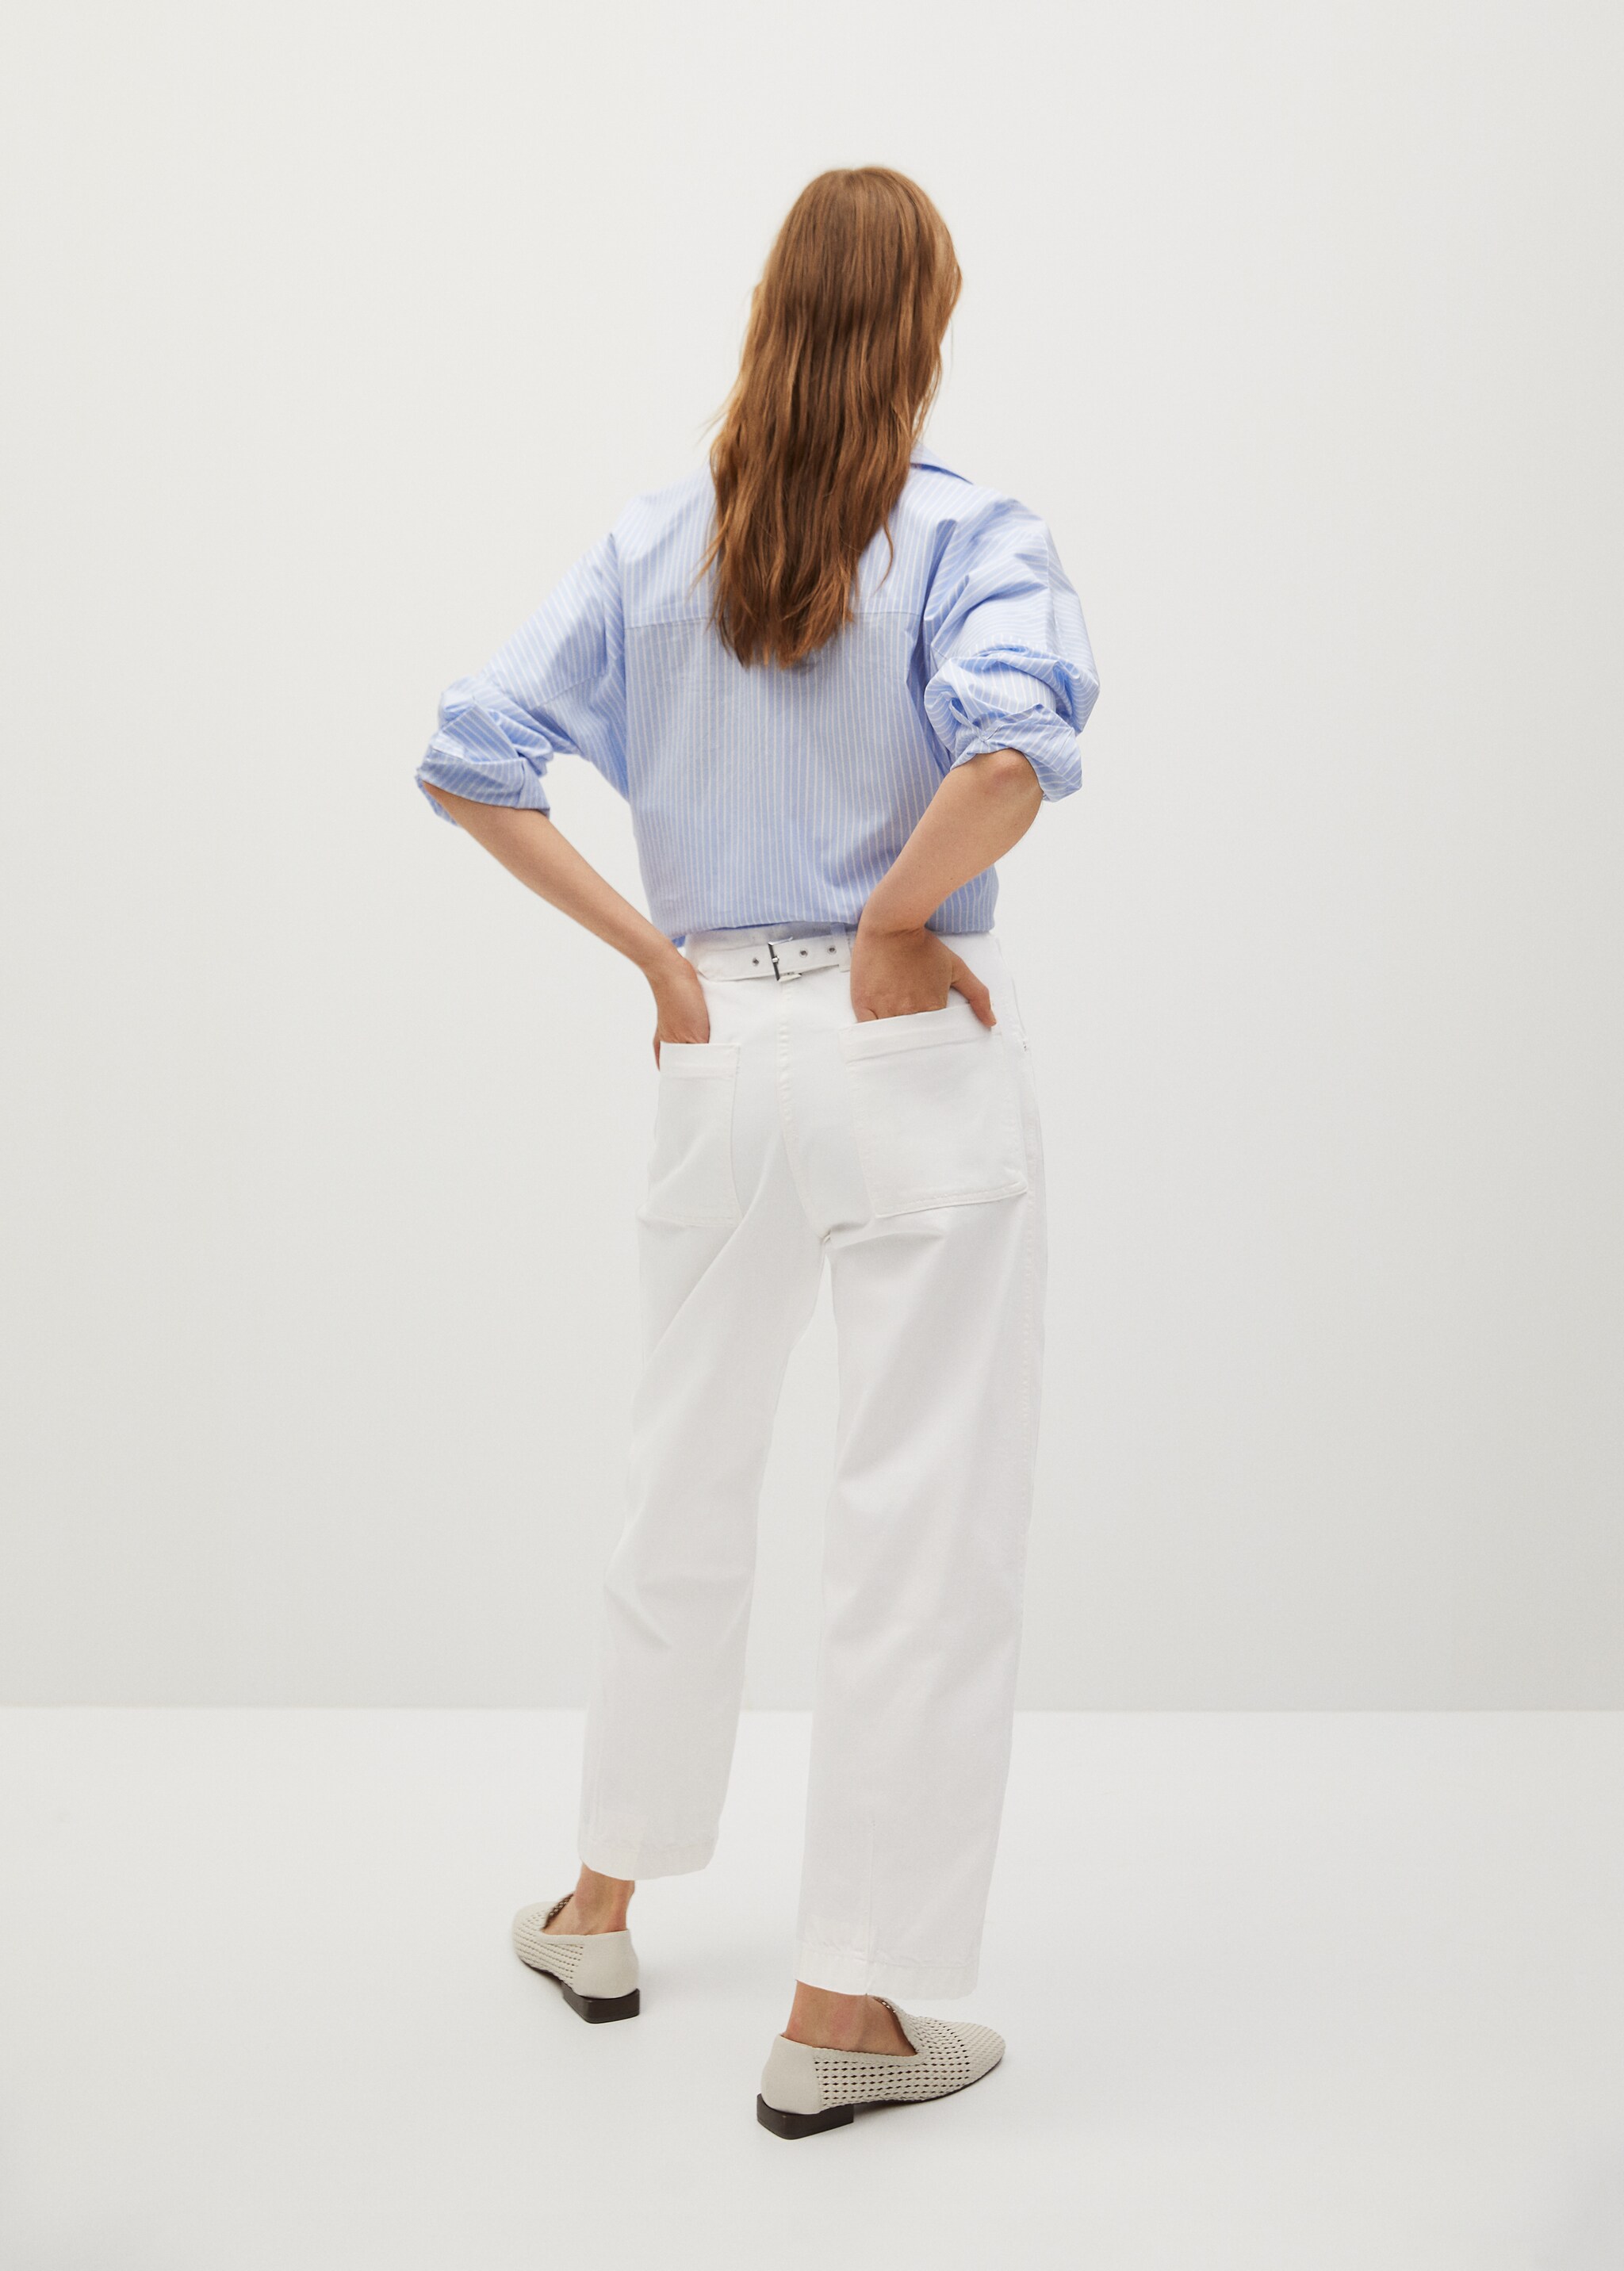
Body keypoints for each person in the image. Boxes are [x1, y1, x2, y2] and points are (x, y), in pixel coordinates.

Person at [414, 165, 1099, 2139]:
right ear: (924, 329)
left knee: (684, 1474)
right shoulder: (969, 535)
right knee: (917, 1523)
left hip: (718, 1051)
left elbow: (470, 758)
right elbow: (1010, 752)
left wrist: (658, 957)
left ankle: (599, 1907)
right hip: (905, 1062)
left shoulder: (656, 545)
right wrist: (894, 916)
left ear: (770, 316)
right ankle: (842, 2008)